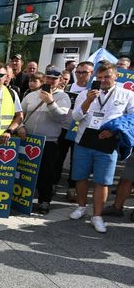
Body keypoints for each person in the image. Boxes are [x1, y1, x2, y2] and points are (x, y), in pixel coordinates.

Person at [69, 62, 134, 233]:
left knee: (102, 181)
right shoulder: (85, 94)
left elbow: (131, 118)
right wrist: (88, 101)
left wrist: (114, 131)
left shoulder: (127, 94)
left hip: (108, 142)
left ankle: (97, 216)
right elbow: (76, 116)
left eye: (107, 77)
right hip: (84, 139)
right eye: (100, 77)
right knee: (80, 177)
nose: (103, 80)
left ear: (116, 76)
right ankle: (81, 207)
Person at [18, 67, 71, 214]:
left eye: (54, 78)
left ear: (60, 80)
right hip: (28, 139)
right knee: (24, 171)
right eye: (48, 78)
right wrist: (21, 126)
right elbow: (20, 114)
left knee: (46, 174)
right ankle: (20, 198)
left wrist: (50, 102)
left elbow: (61, 117)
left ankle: (44, 201)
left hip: (49, 141)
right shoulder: (31, 95)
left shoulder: (63, 97)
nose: (50, 81)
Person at [57, 61, 94, 201]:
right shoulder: (68, 86)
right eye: (78, 72)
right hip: (65, 128)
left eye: (84, 72)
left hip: (82, 131)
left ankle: (71, 187)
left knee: (76, 160)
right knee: (58, 157)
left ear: (92, 73)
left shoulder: (93, 90)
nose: (80, 75)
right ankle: (54, 182)